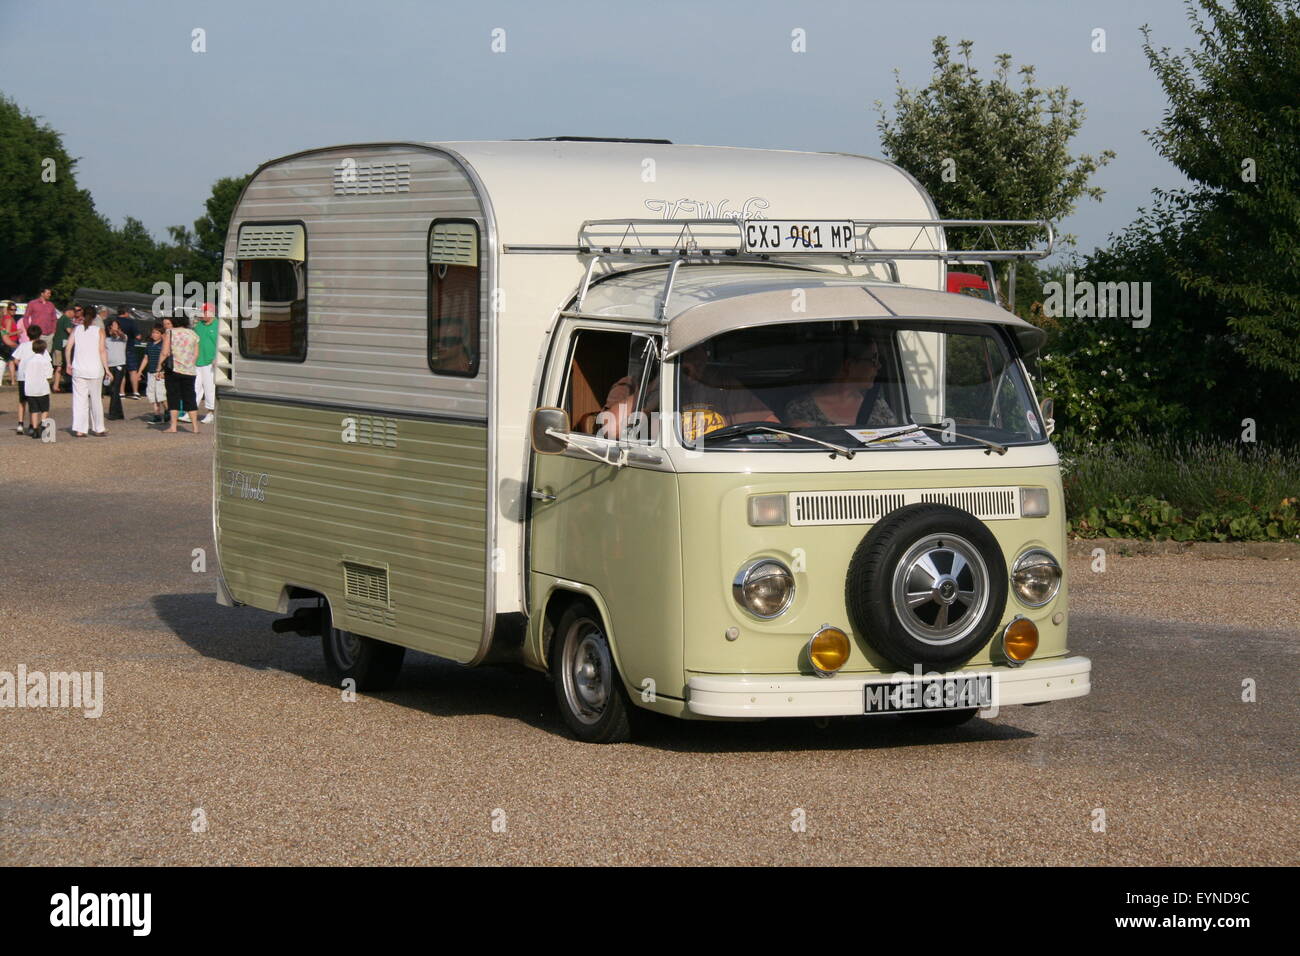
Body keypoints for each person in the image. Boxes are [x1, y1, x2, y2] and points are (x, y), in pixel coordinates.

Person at [784, 337, 897, 428]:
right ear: (849, 366)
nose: (878, 365)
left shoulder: (877, 405)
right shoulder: (801, 409)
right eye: (873, 359)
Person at [676, 343, 777, 443]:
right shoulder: (665, 384)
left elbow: (770, 429)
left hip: (720, 452)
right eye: (688, 352)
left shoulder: (723, 384)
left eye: (701, 350)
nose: (695, 359)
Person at [67, 308, 109, 437]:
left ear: (83, 316)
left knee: (80, 400)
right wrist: (107, 368)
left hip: (79, 369)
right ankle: (99, 428)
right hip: (95, 369)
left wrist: (68, 363)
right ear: (95, 317)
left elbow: (68, 347)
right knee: (96, 399)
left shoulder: (76, 329)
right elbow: (102, 350)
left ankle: (80, 429)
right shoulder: (99, 331)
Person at [159, 314, 201, 434]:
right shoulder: (193, 334)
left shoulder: (170, 332)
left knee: (173, 397)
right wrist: (189, 363)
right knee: (190, 397)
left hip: (174, 369)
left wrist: (158, 367)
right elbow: (196, 354)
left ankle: (173, 426)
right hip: (190, 370)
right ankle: (195, 427)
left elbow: (165, 352)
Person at [22, 339, 54, 439]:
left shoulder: (28, 361)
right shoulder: (45, 361)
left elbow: (24, 373)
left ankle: (35, 429)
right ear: (44, 349)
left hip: (30, 389)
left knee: (34, 410)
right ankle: (43, 425)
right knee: (44, 409)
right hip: (42, 388)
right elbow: (49, 375)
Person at [193, 302, 218, 423]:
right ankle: (191, 411)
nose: (201, 315)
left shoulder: (219, 325)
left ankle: (211, 413)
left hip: (210, 362)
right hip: (197, 361)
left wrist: (217, 357)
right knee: (195, 387)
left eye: (203, 312)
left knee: (209, 388)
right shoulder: (198, 326)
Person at [138, 323, 167, 424]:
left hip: (160, 373)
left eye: (157, 333)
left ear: (162, 334)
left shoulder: (164, 345)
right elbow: (146, 358)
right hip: (150, 372)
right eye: (153, 332)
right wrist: (140, 371)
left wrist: (163, 371)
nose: (154, 334)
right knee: (152, 395)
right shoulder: (149, 345)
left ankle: (167, 411)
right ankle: (157, 414)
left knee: (161, 395)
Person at [10, 331, 36, 434]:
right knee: (32, 402)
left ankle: (20, 424)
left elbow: (16, 360)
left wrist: (22, 365)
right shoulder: (39, 346)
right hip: (34, 377)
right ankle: (31, 425)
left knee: (22, 401)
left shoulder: (23, 345)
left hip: (22, 377)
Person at [104, 318, 128, 421]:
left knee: (115, 388)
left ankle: (113, 413)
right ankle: (119, 413)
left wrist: (117, 331)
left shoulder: (123, 338)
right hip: (109, 366)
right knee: (112, 389)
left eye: (116, 325)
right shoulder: (106, 340)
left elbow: (122, 336)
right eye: (112, 326)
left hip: (119, 365)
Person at [115, 305, 142, 399]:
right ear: (126, 313)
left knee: (121, 372)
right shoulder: (131, 322)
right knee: (132, 371)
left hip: (117, 350)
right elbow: (138, 336)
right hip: (129, 348)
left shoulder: (113, 322)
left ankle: (121, 393)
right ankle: (135, 392)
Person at [52, 306, 75, 392]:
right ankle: (55, 386)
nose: (74, 315)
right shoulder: (66, 319)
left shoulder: (61, 319)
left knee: (59, 366)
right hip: (60, 347)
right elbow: (69, 330)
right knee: (59, 366)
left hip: (57, 345)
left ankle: (56, 385)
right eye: (73, 313)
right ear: (69, 311)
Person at [1, 302, 18, 386]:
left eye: (15, 310)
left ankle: (12, 380)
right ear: (8, 310)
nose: (13, 311)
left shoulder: (6, 318)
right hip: (11, 342)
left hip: (9, 342)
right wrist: (17, 332)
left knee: (11, 361)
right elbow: (6, 333)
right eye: (11, 310)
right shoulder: (9, 319)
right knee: (17, 361)